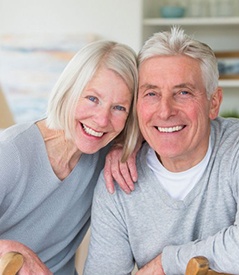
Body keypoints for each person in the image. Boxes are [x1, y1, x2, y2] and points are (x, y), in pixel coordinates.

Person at [84, 27, 239, 275]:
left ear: (213, 102)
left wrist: (167, 262)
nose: (165, 111)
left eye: (183, 92)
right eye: (151, 93)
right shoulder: (118, 180)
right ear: (137, 106)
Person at [0, 40, 139, 274]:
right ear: (69, 91)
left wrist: (128, 145)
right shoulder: (10, 152)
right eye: (92, 99)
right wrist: (8, 248)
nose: (102, 120)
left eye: (119, 108)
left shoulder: (105, 155)